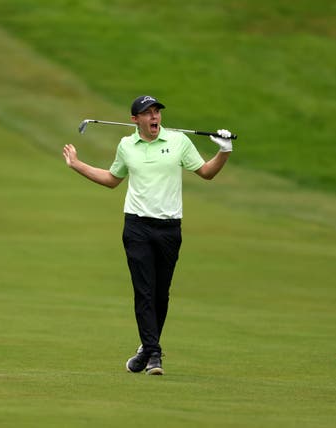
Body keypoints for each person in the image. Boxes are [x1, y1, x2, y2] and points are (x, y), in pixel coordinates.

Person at [62, 95, 233, 375]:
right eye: (147, 113)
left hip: (169, 228)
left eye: (157, 112)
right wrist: (77, 164)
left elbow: (206, 173)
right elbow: (111, 179)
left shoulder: (179, 141)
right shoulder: (127, 145)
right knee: (143, 290)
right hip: (137, 227)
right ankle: (154, 354)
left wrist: (224, 152)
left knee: (160, 294)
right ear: (135, 119)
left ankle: (145, 350)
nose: (154, 117)